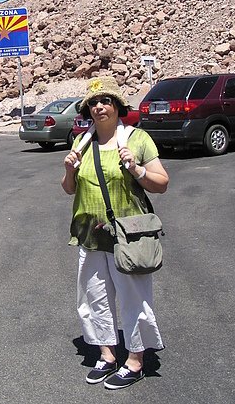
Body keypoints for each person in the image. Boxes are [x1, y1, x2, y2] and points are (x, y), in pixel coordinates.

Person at [62, 76, 169, 390]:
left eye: (105, 101)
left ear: (118, 106)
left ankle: (135, 359)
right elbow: (69, 189)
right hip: (89, 234)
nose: (98, 107)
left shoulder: (137, 139)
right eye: (93, 103)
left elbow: (162, 183)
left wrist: (136, 169)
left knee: (133, 298)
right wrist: (69, 170)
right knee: (93, 299)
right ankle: (107, 354)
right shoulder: (81, 142)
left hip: (128, 235)